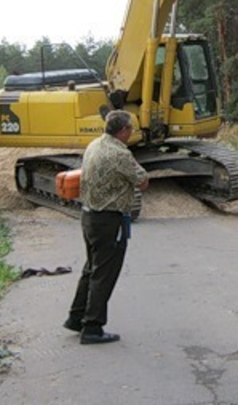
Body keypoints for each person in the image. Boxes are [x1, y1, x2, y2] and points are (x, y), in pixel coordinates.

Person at [63, 109, 149, 345]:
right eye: (130, 128)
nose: (131, 132)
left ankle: (76, 316)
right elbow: (143, 181)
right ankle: (92, 327)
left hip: (89, 216)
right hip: (109, 219)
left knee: (91, 268)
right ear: (123, 130)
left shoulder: (94, 145)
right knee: (105, 274)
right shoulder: (120, 153)